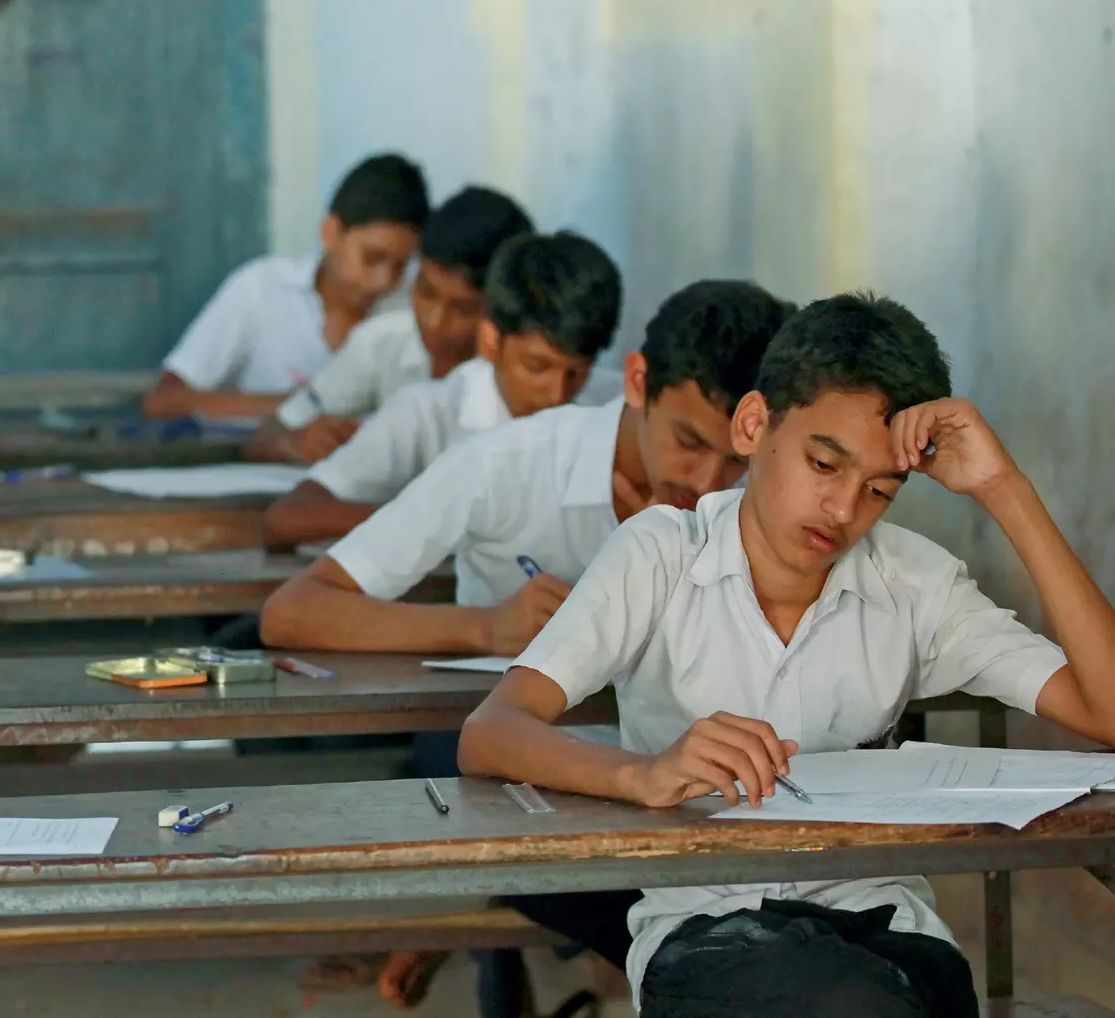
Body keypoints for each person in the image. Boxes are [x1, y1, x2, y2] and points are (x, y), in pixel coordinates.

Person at [459, 293, 1115, 1018]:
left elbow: (1107, 711)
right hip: (709, 934)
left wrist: (1005, 489)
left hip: (883, 932)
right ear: (752, 425)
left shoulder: (914, 585)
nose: (843, 509)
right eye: (823, 463)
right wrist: (642, 773)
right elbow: (491, 732)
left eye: (878, 490)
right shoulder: (661, 556)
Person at [260, 278, 796, 655]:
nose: (708, 483)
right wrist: (486, 628)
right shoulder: (503, 464)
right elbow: (294, 610)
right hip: (494, 746)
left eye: (738, 460)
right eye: (688, 441)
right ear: (638, 382)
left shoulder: (779, 491)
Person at [262, 230, 622, 551]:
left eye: (578, 373)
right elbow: (286, 518)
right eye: (536, 367)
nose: (557, 394)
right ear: (490, 340)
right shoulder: (425, 413)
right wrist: (438, 521)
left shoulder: (616, 406)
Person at [250, 185, 533, 463]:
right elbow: (271, 433)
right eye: (426, 292)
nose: (435, 320)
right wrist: (297, 443)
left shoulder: (530, 368)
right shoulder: (381, 343)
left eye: (464, 308)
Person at [143, 154, 430, 421]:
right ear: (330, 233)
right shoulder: (262, 289)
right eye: (372, 258)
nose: (384, 281)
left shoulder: (411, 310)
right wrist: (304, 407)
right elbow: (164, 401)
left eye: (401, 265)